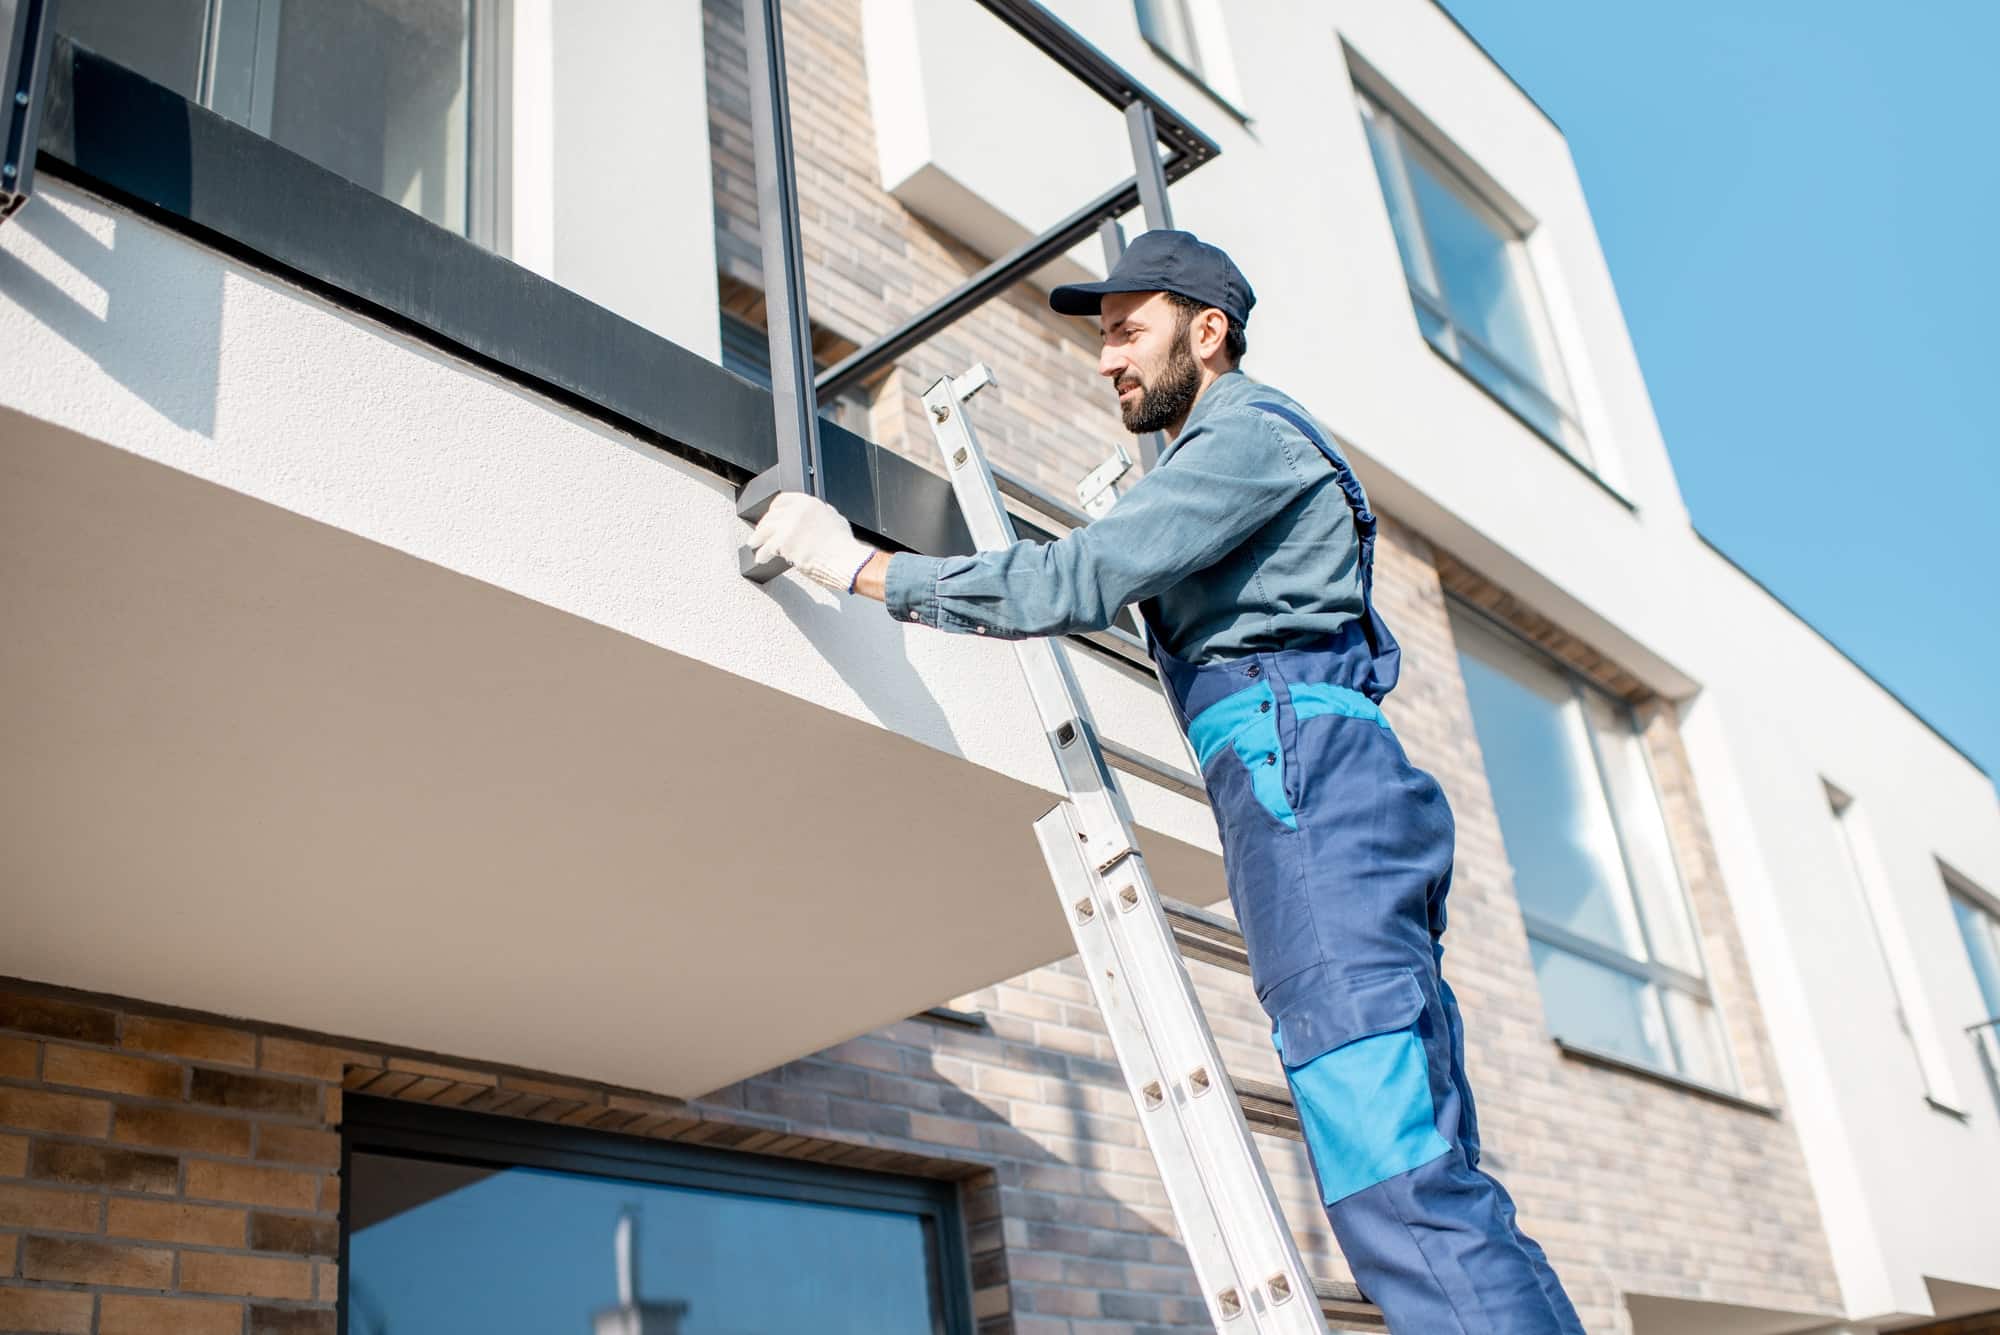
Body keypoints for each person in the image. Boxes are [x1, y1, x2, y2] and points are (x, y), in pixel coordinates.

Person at [749, 229, 1584, 1334]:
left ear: (1208, 330)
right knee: (1423, 1164)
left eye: (1126, 331)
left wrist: (856, 566)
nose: (1106, 360)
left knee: (1393, 1172)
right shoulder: (1237, 453)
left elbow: (1074, 576)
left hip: (1304, 789)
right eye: (1102, 339)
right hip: (1320, 779)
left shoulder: (1242, 441)